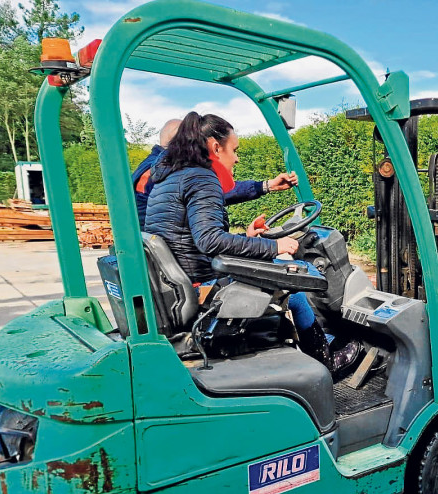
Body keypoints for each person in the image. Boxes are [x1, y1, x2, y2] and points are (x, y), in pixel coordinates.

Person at [144, 111, 361, 378]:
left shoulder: (170, 177)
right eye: (234, 150)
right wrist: (275, 246)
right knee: (302, 276)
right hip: (202, 284)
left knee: (287, 273)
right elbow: (209, 240)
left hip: (183, 281)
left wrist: (248, 239)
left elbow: (191, 236)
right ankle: (326, 360)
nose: (236, 158)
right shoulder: (202, 177)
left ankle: (311, 344)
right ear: (215, 147)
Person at [132, 118, 300, 227]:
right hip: (170, 264)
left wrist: (266, 186)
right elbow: (209, 238)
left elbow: (212, 194)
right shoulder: (163, 172)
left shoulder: (160, 168)